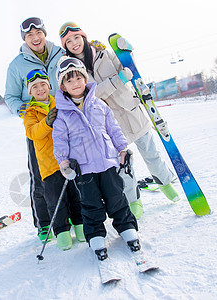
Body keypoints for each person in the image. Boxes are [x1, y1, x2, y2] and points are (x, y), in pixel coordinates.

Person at [58, 22, 180, 220]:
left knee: (151, 153)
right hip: (108, 121)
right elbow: (92, 93)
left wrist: (128, 51)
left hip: (131, 111)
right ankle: (133, 201)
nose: (74, 43)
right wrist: (117, 80)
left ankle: (166, 183)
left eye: (76, 38)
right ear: (65, 46)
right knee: (124, 165)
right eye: (68, 41)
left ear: (84, 37)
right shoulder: (74, 70)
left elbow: (127, 67)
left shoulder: (103, 53)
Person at [52, 57, 140, 260]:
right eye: (69, 81)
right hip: (83, 168)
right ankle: (96, 236)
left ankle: (127, 228)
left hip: (108, 162)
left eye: (78, 78)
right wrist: (64, 162)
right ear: (63, 86)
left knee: (117, 197)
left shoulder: (99, 104)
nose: (75, 84)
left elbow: (113, 128)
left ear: (85, 79)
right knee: (91, 204)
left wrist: (122, 149)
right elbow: (60, 141)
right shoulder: (63, 114)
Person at [5, 17, 65, 242]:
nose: (35, 38)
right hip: (39, 127)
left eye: (37, 33)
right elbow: (10, 96)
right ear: (24, 39)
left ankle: (71, 216)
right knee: (41, 176)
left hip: (66, 123)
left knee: (70, 169)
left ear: (44, 33)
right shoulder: (17, 65)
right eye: (29, 35)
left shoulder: (60, 54)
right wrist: (25, 111)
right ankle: (44, 223)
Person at [23, 69, 85, 250]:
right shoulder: (30, 112)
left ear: (49, 86)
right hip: (48, 164)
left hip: (67, 158)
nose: (40, 89)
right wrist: (47, 123)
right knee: (55, 198)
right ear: (30, 91)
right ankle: (62, 231)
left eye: (43, 84)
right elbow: (32, 133)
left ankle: (80, 225)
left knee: (75, 194)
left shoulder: (59, 102)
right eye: (35, 87)